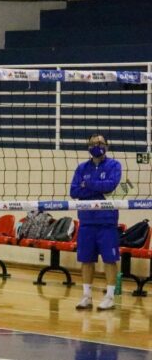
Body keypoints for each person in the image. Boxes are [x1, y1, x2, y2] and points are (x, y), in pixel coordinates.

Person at [70, 133, 122, 311]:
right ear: (88, 147)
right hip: (86, 221)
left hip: (107, 221)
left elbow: (110, 186)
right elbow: (74, 191)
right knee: (86, 260)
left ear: (106, 145)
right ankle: (86, 296)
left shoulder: (114, 165)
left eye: (100, 143)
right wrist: (94, 186)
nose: (96, 145)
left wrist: (88, 184)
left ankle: (109, 297)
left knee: (110, 259)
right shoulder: (82, 167)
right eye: (93, 143)